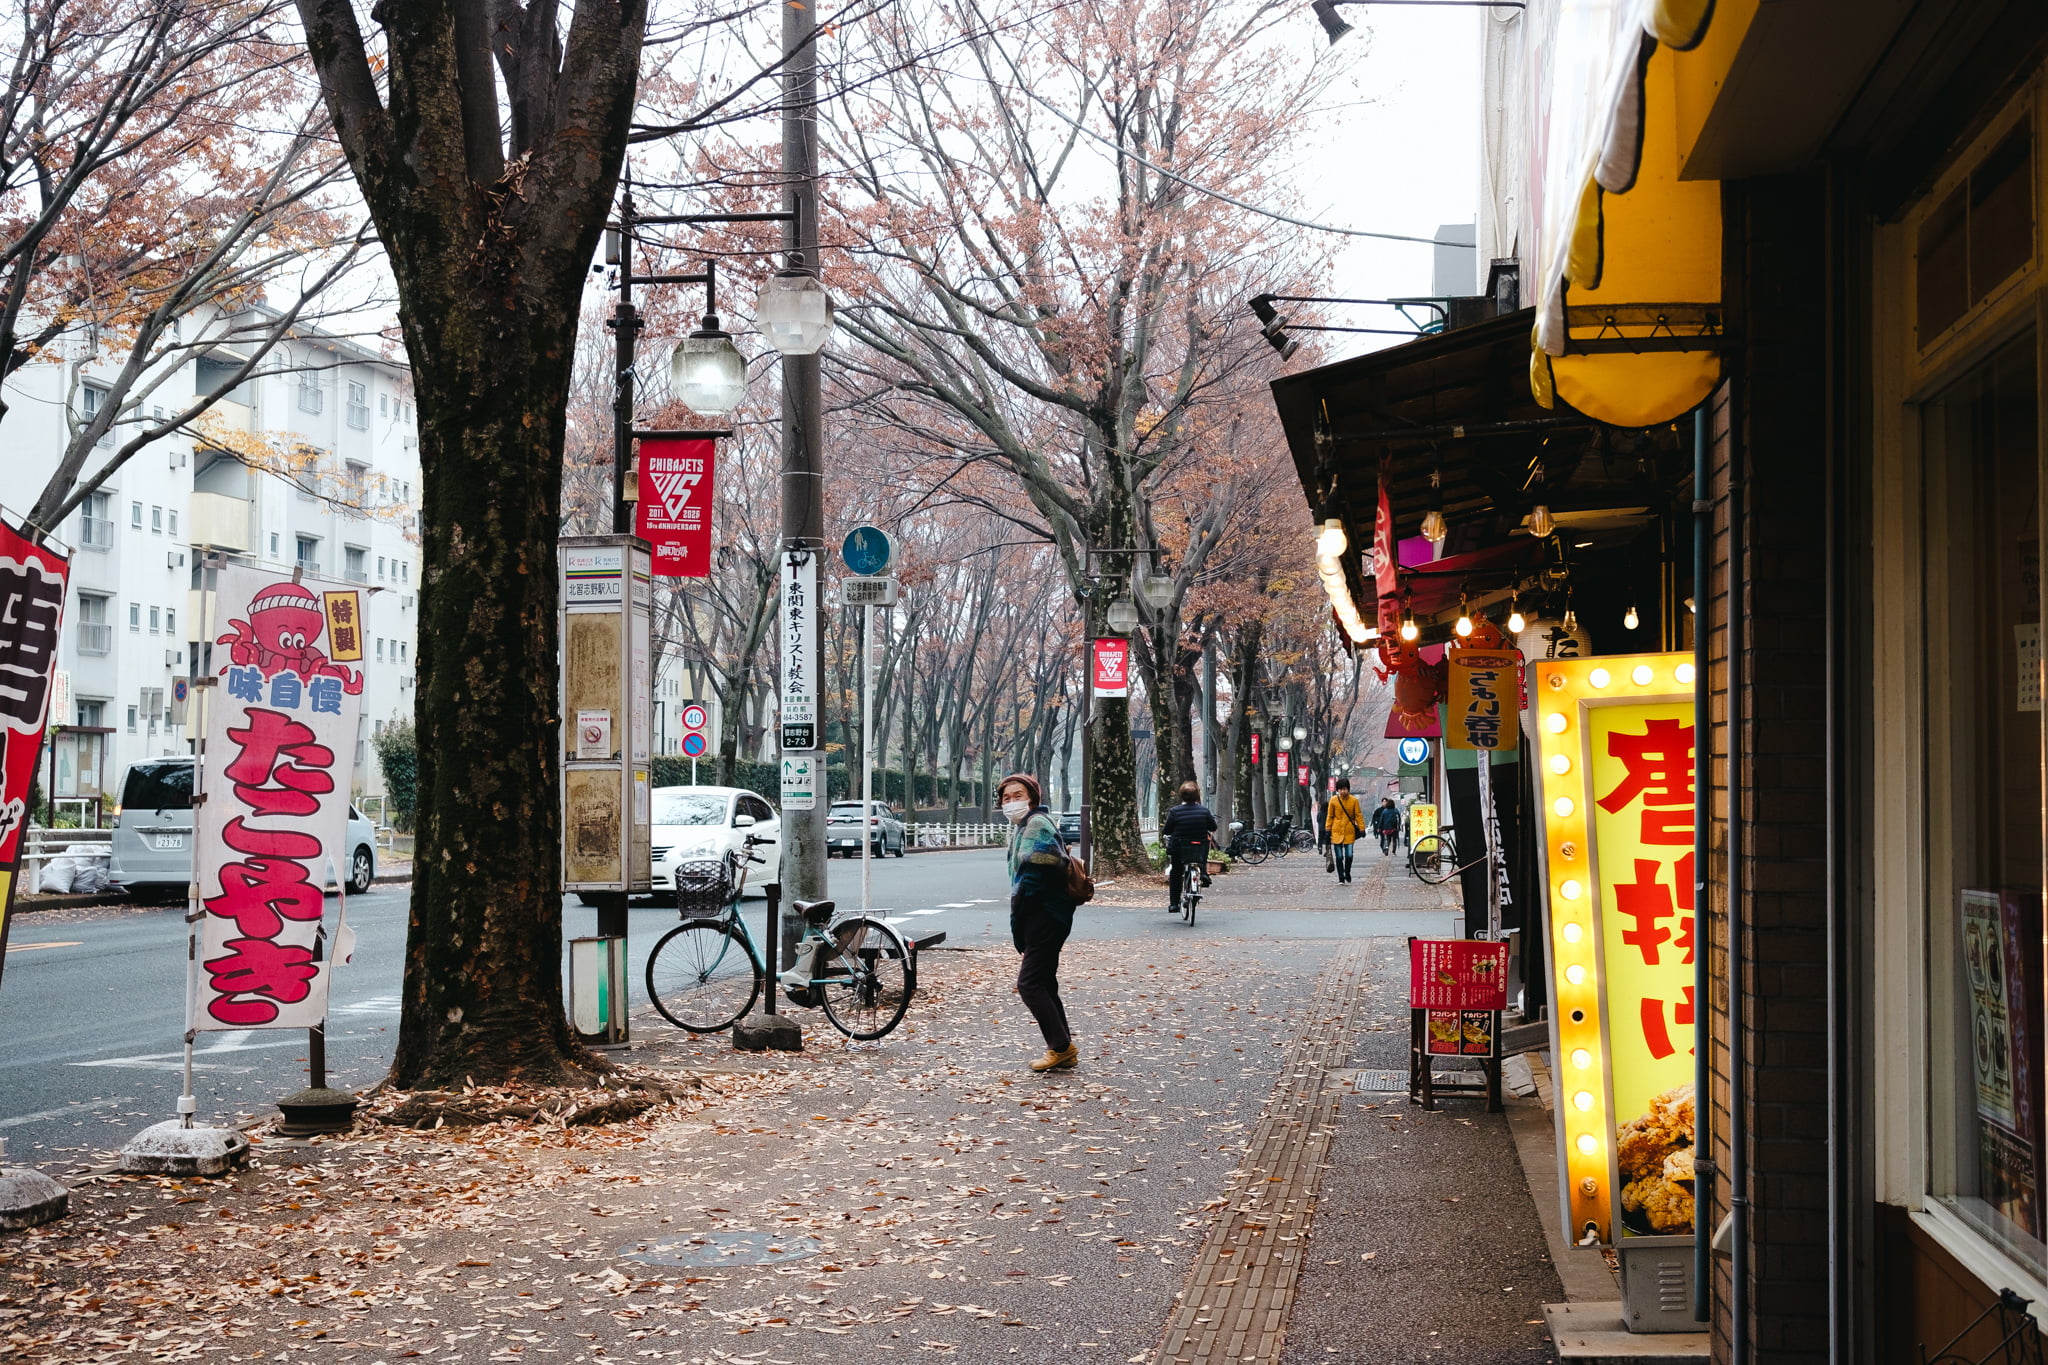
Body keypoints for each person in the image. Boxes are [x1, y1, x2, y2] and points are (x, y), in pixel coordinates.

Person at [1000, 772, 1077, 1072]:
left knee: (1029, 983)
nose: (1011, 802)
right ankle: (1062, 1045)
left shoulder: (1036, 823)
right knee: (1044, 981)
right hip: (1045, 915)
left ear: (1032, 796)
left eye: (1017, 795)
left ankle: (1060, 1047)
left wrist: (1021, 908)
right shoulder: (1025, 826)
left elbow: (1042, 867)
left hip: (1044, 915)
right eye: (1006, 798)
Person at [1160, 780, 1218, 913]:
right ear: (1197, 795)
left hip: (1179, 847)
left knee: (1176, 873)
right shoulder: (1204, 811)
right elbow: (1213, 827)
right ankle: (1203, 874)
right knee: (1200, 858)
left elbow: (1167, 830)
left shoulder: (1175, 811)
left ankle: (1174, 904)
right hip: (1199, 847)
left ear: (1181, 795)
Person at [1325, 777, 1364, 884]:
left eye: (1345, 789)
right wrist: (1328, 829)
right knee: (1339, 857)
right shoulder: (1333, 800)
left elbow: (1358, 815)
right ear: (1337, 790)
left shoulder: (1354, 800)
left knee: (1349, 855)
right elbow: (1330, 816)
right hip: (1336, 831)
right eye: (1341, 789)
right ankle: (1341, 877)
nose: (1343, 791)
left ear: (1348, 789)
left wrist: (1362, 828)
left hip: (1349, 831)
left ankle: (1347, 872)